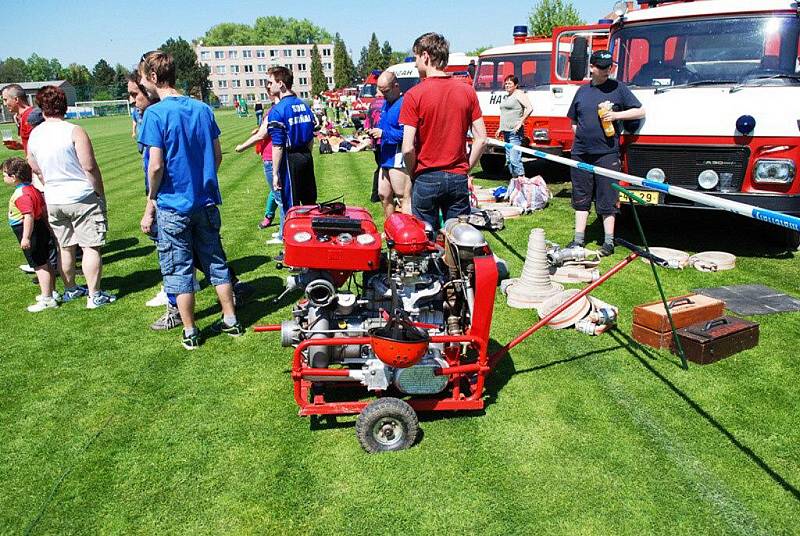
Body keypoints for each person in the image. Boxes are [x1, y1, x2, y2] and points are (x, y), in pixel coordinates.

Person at [137, 50, 242, 349]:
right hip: (205, 202)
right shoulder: (202, 109)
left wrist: (151, 199)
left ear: (155, 78)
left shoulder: (155, 114)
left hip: (173, 206)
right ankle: (231, 320)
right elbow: (217, 155)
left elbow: (155, 165)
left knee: (178, 269)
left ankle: (190, 331)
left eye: (145, 77)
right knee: (216, 262)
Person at [27, 85, 115, 309]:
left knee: (65, 247)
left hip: (55, 198)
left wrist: (49, 184)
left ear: (42, 107)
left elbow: (34, 166)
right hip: (81, 195)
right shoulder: (74, 130)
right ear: (63, 105)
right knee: (90, 246)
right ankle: (94, 295)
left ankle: (71, 289)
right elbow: (89, 166)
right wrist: (99, 191)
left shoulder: (35, 134)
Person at [400, 32, 487, 231]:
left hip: (426, 177)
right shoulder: (466, 90)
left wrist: (414, 173)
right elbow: (482, 139)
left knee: (425, 242)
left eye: (415, 58)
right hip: (457, 177)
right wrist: (466, 168)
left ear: (425, 56)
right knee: (459, 240)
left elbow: (407, 148)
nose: (415, 64)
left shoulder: (414, 95)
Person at [566, 49, 646, 256]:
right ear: (592, 68)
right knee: (581, 195)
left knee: (607, 196)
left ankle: (608, 242)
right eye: (602, 67)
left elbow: (640, 110)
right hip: (581, 152)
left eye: (609, 66)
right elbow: (574, 120)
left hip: (607, 152)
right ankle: (578, 240)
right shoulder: (582, 92)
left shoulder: (618, 88)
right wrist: (582, 136)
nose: (606, 70)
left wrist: (616, 115)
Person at [266, 66, 316, 264]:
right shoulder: (304, 105)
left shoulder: (278, 110)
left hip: (289, 160)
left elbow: (277, 146)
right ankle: (312, 244)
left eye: (270, 82)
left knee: (291, 208)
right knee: (310, 204)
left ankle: (293, 250)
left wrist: (276, 173)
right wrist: (307, 156)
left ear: (281, 83)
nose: (268, 86)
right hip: (306, 156)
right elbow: (311, 136)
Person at [2, 158, 61, 312]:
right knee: (46, 262)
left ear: (13, 177)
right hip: (40, 227)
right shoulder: (33, 189)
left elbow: (28, 215)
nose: (3, 178)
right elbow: (42, 209)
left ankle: (47, 299)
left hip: (30, 230)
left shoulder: (22, 194)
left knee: (39, 265)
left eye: (4, 175)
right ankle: (52, 292)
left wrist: (26, 237)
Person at [235, 96, 282, 241]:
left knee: (278, 193)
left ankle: (281, 229)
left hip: (274, 156)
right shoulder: (273, 111)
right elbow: (264, 132)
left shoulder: (278, 111)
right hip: (270, 156)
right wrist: (258, 130)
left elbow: (263, 134)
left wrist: (242, 147)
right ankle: (270, 218)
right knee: (276, 191)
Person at [367, 72, 410, 218]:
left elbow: (407, 134)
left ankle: (407, 232)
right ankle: (390, 227)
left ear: (396, 86)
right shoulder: (387, 103)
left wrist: (384, 134)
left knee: (403, 197)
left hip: (398, 158)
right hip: (385, 157)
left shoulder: (404, 104)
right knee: (383, 194)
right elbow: (384, 126)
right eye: (380, 90)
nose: (382, 95)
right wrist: (373, 132)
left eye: (385, 91)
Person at [495, 75, 532, 181]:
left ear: (516, 85)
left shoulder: (519, 94)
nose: (507, 85)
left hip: (515, 132)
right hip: (506, 132)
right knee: (509, 160)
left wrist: (521, 122)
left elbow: (529, 108)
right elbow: (504, 114)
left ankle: (522, 180)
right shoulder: (507, 97)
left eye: (510, 83)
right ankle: (515, 181)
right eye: (506, 83)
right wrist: (500, 128)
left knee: (514, 158)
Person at [1, 84, 37, 154]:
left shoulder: (30, 116)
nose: (4, 104)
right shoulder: (23, 116)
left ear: (16, 99)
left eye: (5, 100)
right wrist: (20, 146)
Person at [365, 87, 385, 204]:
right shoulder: (387, 103)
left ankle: (375, 194)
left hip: (375, 141)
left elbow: (366, 126)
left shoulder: (372, 104)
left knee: (379, 166)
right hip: (385, 140)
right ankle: (379, 194)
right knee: (384, 168)